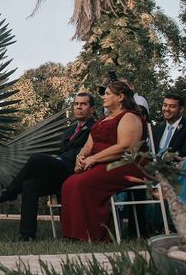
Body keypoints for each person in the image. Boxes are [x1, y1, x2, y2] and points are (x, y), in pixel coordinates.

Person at [0, 93, 96, 240]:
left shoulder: (95, 128)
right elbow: (63, 151)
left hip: (77, 170)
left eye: (83, 104)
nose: (79, 107)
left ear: (92, 109)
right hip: (61, 171)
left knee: (36, 158)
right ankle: (27, 235)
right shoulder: (69, 131)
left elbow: (82, 152)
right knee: (29, 184)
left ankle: (9, 192)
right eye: (76, 104)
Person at [61, 81, 146, 242]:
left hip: (126, 164)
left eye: (108, 94)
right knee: (69, 183)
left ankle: (93, 235)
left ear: (120, 97)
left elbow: (126, 147)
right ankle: (74, 234)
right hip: (102, 163)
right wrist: (81, 156)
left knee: (84, 182)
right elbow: (88, 145)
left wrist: (93, 158)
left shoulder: (129, 116)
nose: (104, 97)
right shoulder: (102, 120)